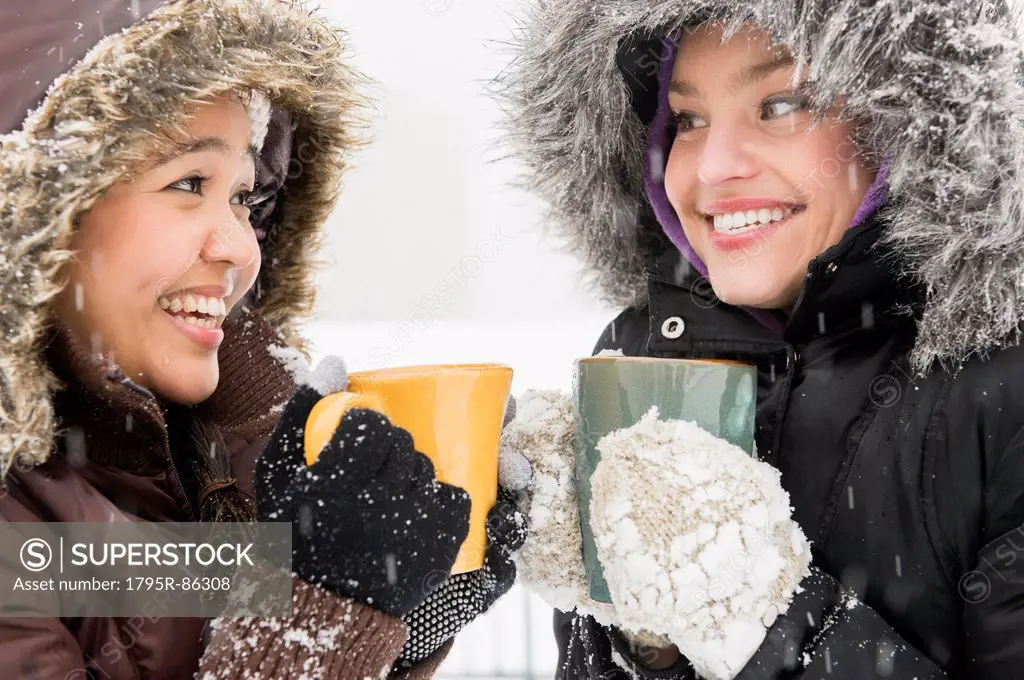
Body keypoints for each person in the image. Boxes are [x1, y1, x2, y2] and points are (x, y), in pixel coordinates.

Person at [498, 0, 1024, 678]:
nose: (713, 167)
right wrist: (639, 637)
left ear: (914, 123)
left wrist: (756, 619)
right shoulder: (645, 350)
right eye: (688, 120)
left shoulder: (1004, 394)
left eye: (780, 106)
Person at [0, 1, 521, 678]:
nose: (242, 246)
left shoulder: (217, 453)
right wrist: (326, 610)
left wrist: (402, 619)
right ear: (42, 216)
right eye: (189, 183)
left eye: (244, 198)